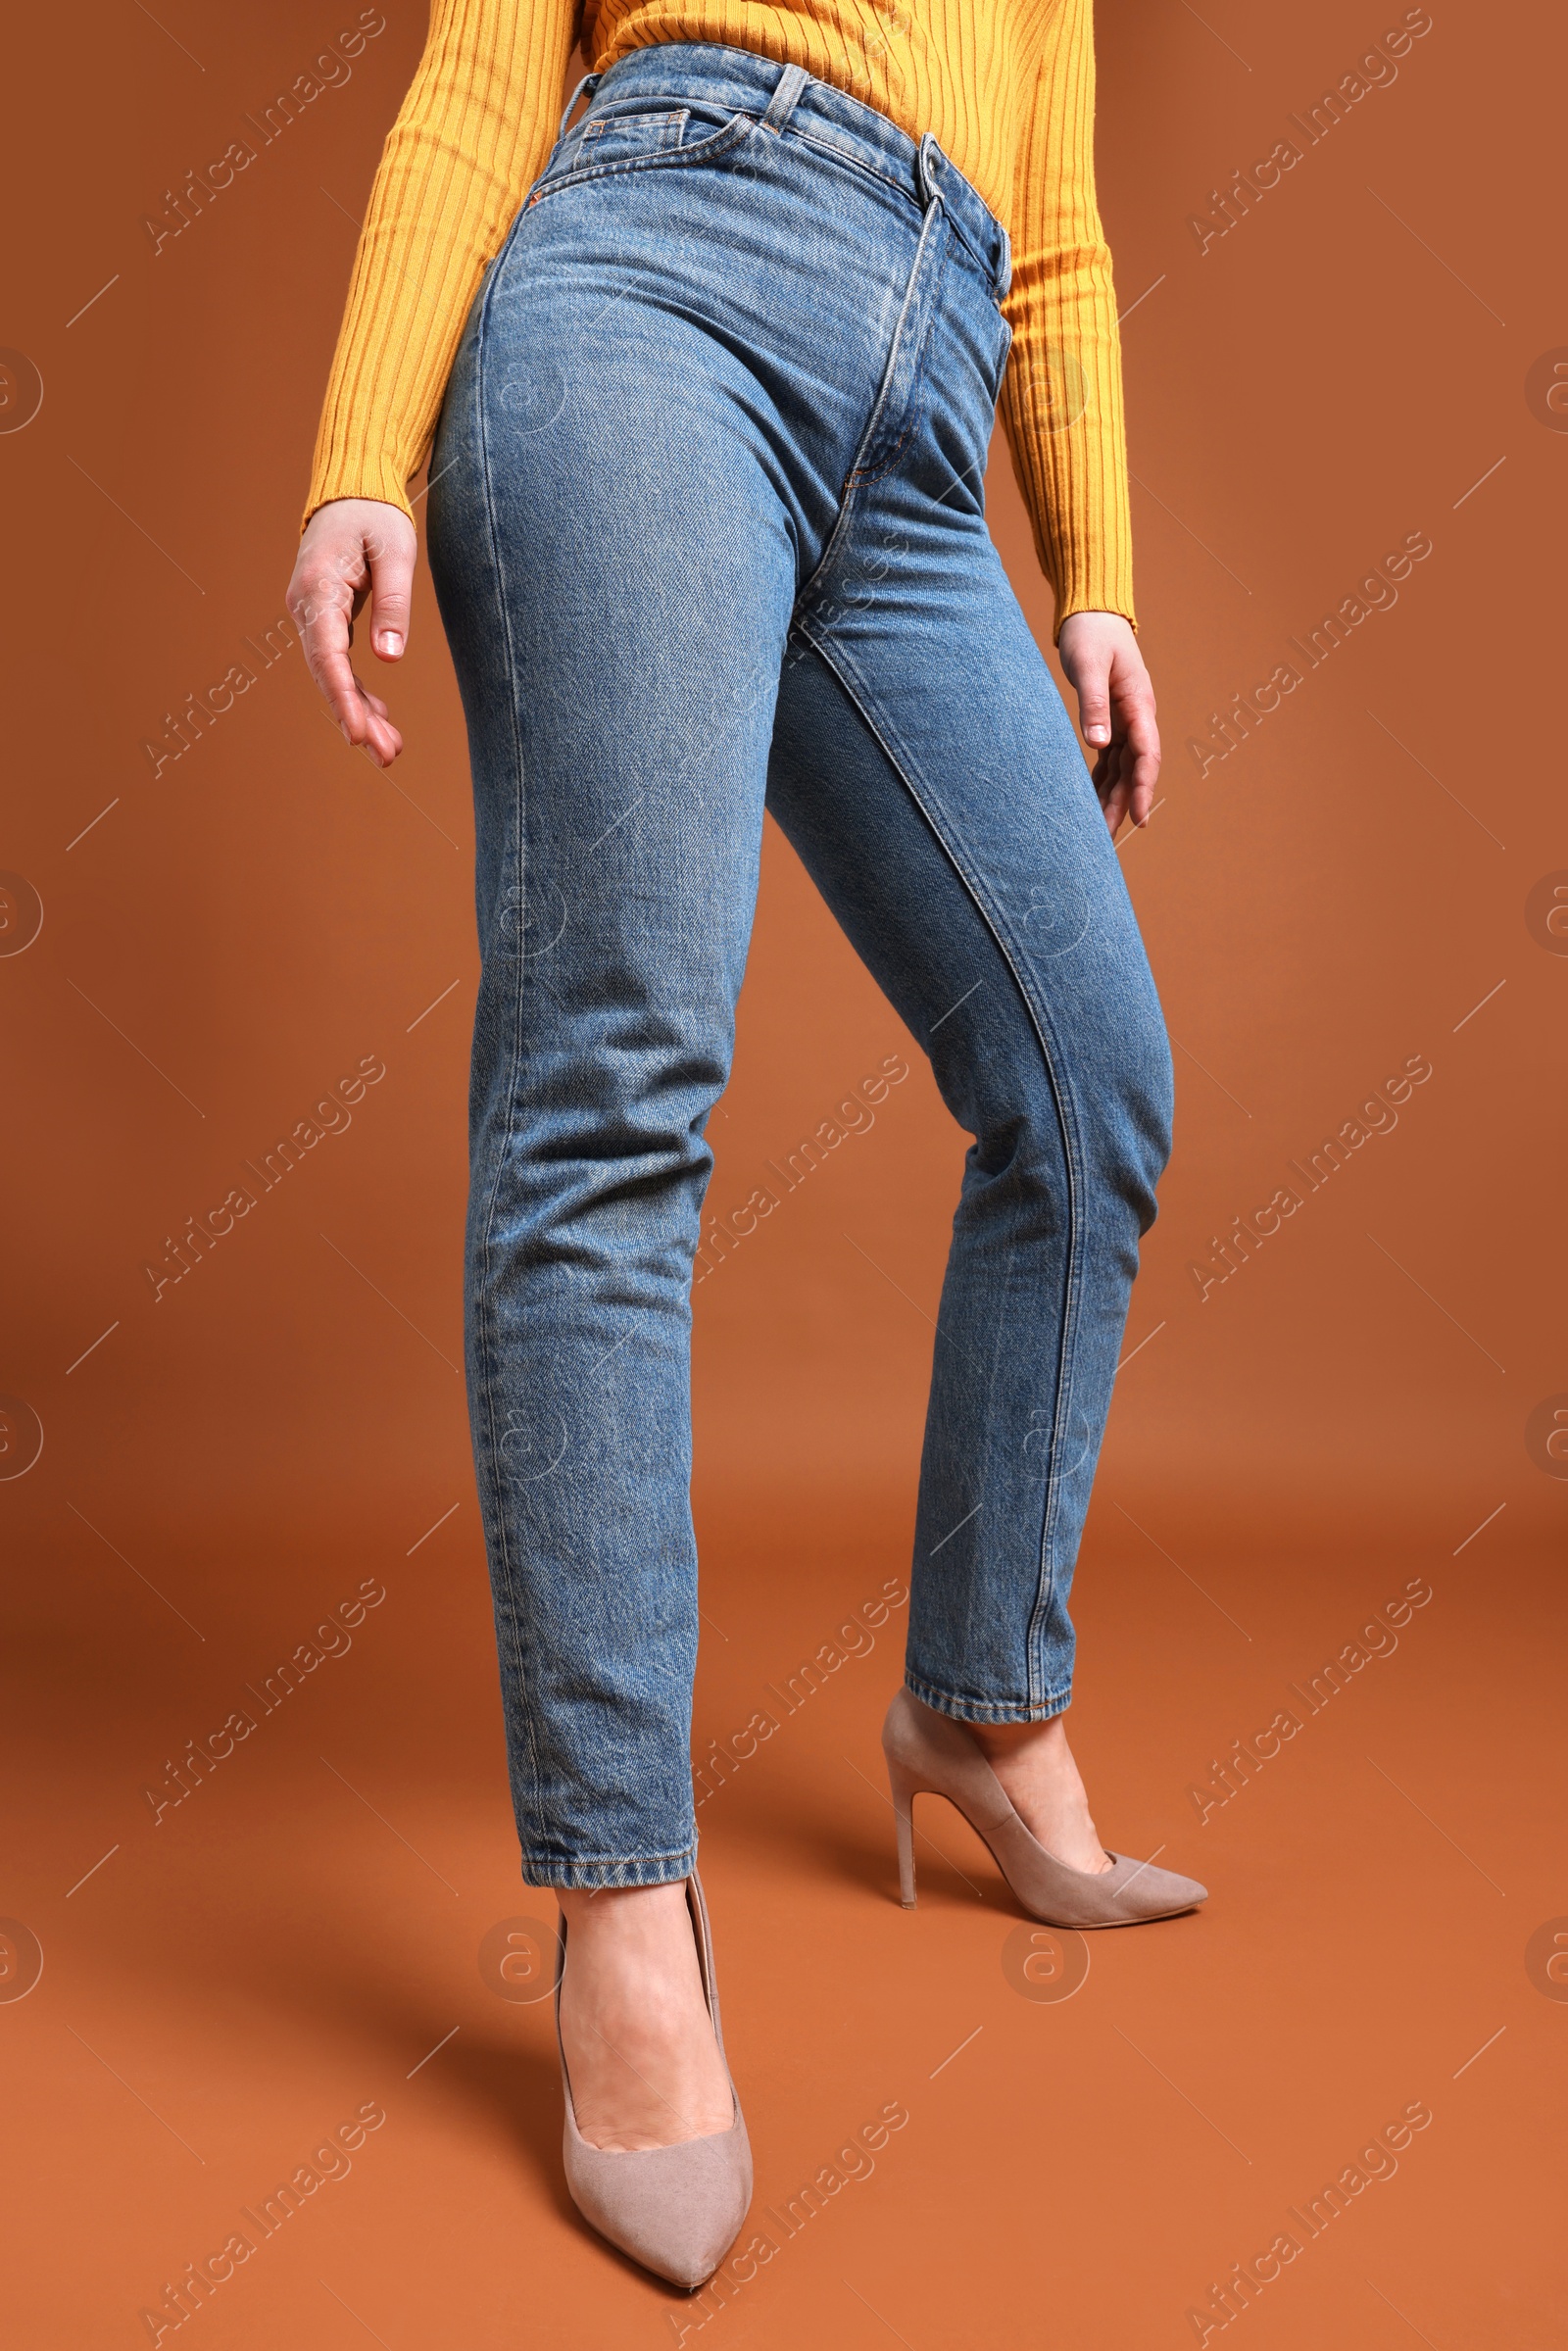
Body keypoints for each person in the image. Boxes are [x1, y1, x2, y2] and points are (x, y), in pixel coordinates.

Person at [287, 0, 1206, 2290]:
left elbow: (1060, 238)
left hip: (915, 392)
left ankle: (982, 1702)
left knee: (1083, 1074)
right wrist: (354, 453)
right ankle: (618, 1904)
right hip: (643, 297)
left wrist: (1089, 568)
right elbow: (485, 68)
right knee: (611, 1097)